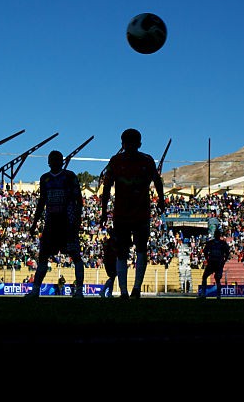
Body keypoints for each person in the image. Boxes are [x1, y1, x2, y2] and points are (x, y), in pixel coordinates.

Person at [99, 128, 166, 299]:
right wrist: (161, 201)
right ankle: (131, 290)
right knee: (136, 250)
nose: (129, 146)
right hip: (134, 214)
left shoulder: (117, 161)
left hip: (129, 214)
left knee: (127, 251)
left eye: (130, 143)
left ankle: (126, 291)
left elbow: (106, 188)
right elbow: (157, 182)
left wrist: (104, 211)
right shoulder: (144, 160)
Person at [27, 150, 85, 299]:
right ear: (48, 162)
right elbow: (41, 202)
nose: (54, 162)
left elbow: (79, 199)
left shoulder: (69, 176)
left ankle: (79, 291)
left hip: (67, 223)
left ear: (62, 161)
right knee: (43, 258)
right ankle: (35, 291)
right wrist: (34, 223)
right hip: (51, 224)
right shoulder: (45, 178)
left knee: (75, 256)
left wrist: (77, 220)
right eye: (51, 159)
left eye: (57, 159)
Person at [198, 226, 231, 299]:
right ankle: (218, 295)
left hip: (213, 262)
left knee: (205, 277)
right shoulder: (222, 243)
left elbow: (205, 251)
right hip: (218, 263)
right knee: (217, 279)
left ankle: (204, 294)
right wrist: (223, 261)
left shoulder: (211, 243)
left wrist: (208, 259)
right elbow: (227, 253)